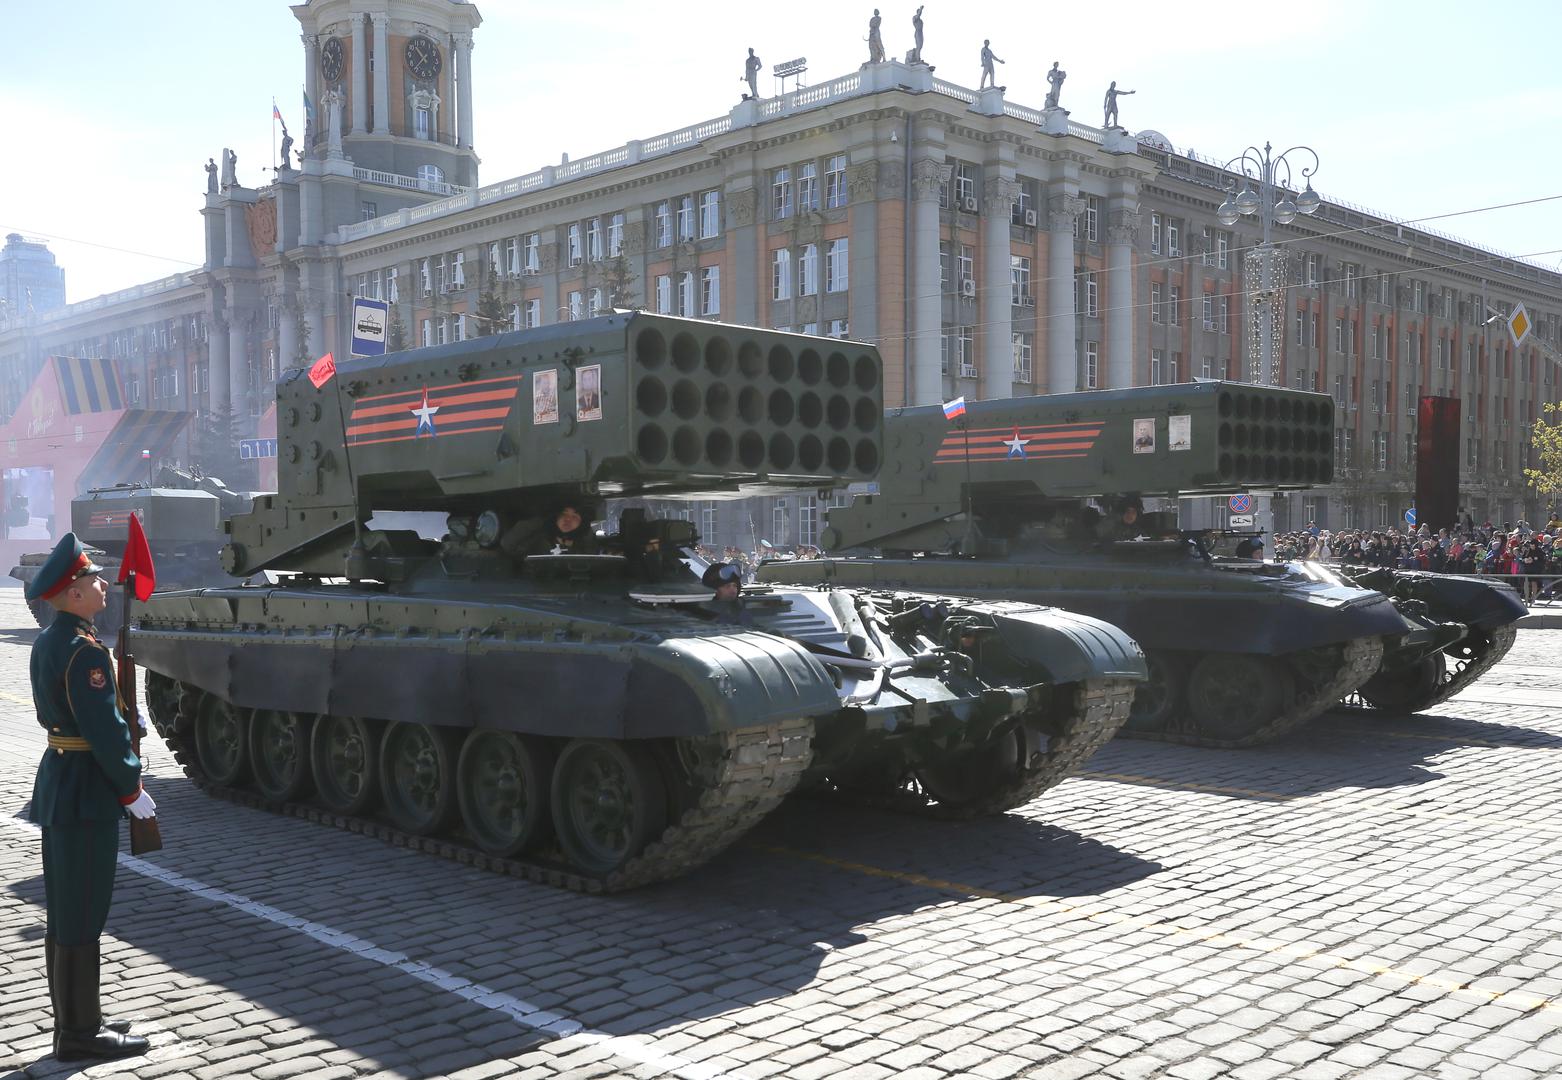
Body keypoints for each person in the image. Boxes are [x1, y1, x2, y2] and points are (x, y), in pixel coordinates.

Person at [25, 534, 152, 1062]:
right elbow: (101, 733)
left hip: (62, 782)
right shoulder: (84, 652)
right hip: (86, 792)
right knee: (81, 912)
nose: (103, 585)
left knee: (67, 910)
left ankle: (77, 1019)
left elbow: (85, 715)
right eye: (92, 579)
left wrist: (125, 713)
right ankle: (79, 1036)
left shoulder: (53, 641)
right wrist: (132, 789)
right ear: (72, 594)